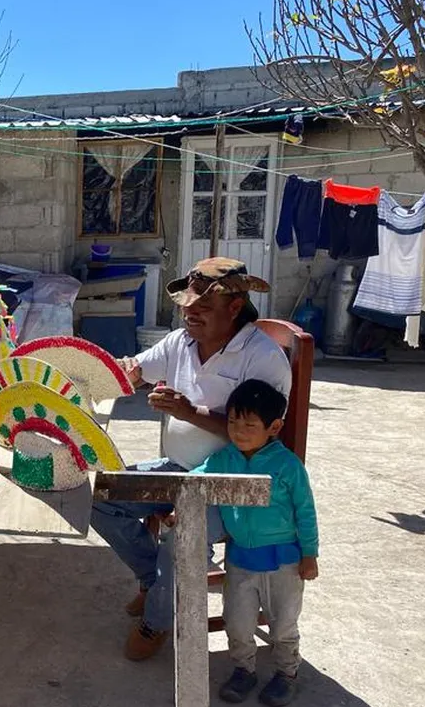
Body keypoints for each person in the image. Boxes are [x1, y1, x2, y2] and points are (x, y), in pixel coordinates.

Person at [90, 257, 292, 661]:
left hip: (233, 484)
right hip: (179, 470)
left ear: (234, 308)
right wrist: (125, 372)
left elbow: (259, 440)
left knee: (184, 530)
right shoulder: (181, 341)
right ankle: (154, 582)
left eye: (201, 307)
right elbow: (137, 370)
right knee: (98, 495)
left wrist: (189, 412)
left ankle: (157, 621)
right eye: (186, 305)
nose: (189, 313)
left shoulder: (261, 357)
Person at [189, 379, 318, 707]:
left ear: (274, 427)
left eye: (250, 424)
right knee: (238, 622)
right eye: (233, 421)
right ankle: (243, 670)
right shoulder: (224, 459)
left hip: (284, 564)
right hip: (240, 561)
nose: (239, 431)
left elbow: (305, 512)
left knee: (283, 625)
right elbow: (196, 481)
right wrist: (181, 506)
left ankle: (286, 673)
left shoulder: (288, 466)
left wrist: (310, 555)